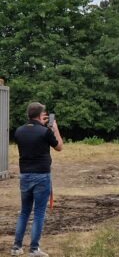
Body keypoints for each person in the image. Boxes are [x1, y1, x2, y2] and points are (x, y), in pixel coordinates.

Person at [12, 102, 64, 257]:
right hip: (41, 176)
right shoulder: (45, 131)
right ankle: (34, 249)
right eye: (44, 114)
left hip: (25, 175)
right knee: (39, 213)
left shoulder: (19, 131)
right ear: (41, 115)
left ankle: (16, 247)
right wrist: (55, 128)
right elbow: (59, 146)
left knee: (24, 212)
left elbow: (30, 138)